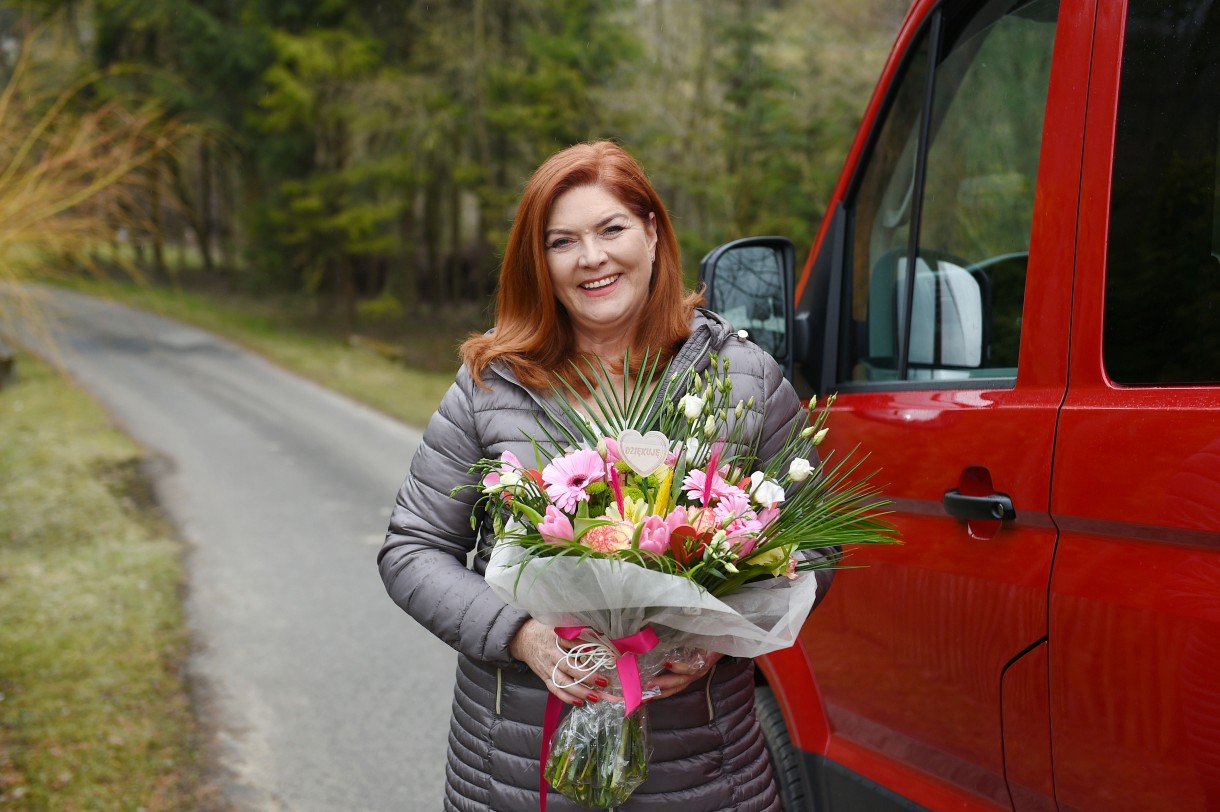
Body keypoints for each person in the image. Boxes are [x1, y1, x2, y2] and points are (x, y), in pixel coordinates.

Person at [378, 141, 832, 811]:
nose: (591, 257)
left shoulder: (744, 377)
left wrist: (712, 639)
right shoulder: (491, 386)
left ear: (651, 232)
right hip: (518, 764)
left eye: (611, 228)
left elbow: (814, 544)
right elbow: (411, 550)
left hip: (704, 771)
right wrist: (521, 637)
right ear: (542, 262)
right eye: (563, 241)